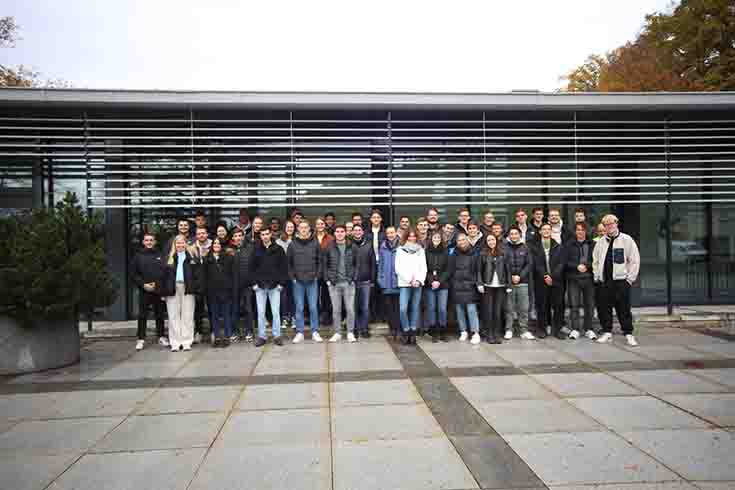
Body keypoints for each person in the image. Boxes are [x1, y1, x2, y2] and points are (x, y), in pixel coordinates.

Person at [593, 214, 640, 346]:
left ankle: (628, 333)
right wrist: (597, 277)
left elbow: (634, 260)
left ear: (616, 224)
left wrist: (629, 279)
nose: (609, 227)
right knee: (604, 308)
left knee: (623, 309)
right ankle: (607, 332)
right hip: (604, 282)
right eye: (606, 225)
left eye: (611, 224)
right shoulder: (601, 242)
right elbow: (595, 261)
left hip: (621, 282)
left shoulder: (627, 239)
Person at [160, 235, 201, 352]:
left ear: (185, 244)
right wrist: (163, 292)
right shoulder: (169, 258)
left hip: (187, 288)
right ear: (174, 245)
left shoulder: (192, 257)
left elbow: (198, 276)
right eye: (177, 243)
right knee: (173, 316)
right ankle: (175, 343)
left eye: (182, 243)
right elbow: (163, 276)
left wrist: (197, 289)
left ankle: (187, 341)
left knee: (187, 316)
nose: (180, 245)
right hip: (172, 288)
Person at [287, 220, 323, 343]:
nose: (303, 229)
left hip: (312, 280)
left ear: (309, 229)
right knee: (299, 308)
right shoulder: (292, 244)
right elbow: (289, 263)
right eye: (301, 228)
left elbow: (320, 260)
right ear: (298, 230)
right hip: (298, 281)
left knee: (313, 307)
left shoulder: (315, 243)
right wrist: (293, 278)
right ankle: (300, 332)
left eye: (305, 227)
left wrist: (317, 275)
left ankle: (314, 331)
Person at [130, 232, 166, 350]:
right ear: (143, 242)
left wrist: (156, 284)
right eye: (147, 240)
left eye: (151, 240)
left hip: (158, 289)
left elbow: (163, 272)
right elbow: (134, 274)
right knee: (142, 315)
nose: (149, 242)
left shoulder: (160, 255)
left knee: (159, 314)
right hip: (144, 290)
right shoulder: (137, 256)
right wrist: (143, 284)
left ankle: (161, 336)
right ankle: (141, 338)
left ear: (154, 242)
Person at [252, 228, 287, 347]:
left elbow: (284, 268)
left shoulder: (278, 249)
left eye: (267, 234)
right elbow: (251, 268)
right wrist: (254, 284)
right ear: (260, 236)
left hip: (274, 286)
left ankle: (277, 336)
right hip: (260, 287)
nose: (265, 236)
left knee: (275, 312)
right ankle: (262, 336)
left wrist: (281, 284)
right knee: (261, 313)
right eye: (263, 234)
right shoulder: (256, 249)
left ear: (270, 234)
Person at [563, 222, 597, 340]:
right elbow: (565, 262)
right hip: (574, 278)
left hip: (589, 278)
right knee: (574, 305)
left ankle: (589, 329)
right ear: (575, 231)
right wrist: (576, 266)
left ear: (586, 231)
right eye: (578, 230)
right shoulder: (569, 245)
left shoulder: (593, 244)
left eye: (582, 230)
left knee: (590, 305)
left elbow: (596, 260)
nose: (580, 232)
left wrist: (587, 266)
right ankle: (575, 329)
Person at [324, 225, 357, 343]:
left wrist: (353, 278)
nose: (339, 233)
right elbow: (325, 264)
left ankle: (350, 332)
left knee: (350, 309)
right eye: (337, 231)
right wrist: (327, 280)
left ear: (345, 233)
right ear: (334, 234)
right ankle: (337, 332)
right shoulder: (329, 247)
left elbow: (357, 264)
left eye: (342, 231)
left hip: (348, 283)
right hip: (334, 283)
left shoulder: (352, 246)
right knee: (336, 309)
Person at [531, 223, 564, 339]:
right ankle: (542, 329)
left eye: (548, 229)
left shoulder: (558, 246)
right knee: (542, 305)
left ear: (551, 231)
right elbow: (536, 263)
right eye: (543, 229)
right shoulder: (534, 246)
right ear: (540, 231)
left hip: (556, 281)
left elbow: (561, 263)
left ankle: (558, 329)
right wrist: (545, 276)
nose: (546, 231)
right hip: (541, 281)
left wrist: (552, 276)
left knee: (558, 306)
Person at [395, 229, 427, 344]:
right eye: (410, 236)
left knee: (415, 308)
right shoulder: (400, 250)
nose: (412, 238)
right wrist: (409, 280)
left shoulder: (421, 250)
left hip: (418, 283)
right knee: (403, 309)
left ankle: (413, 332)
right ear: (406, 237)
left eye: (414, 236)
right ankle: (406, 330)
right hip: (405, 283)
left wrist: (418, 280)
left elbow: (423, 267)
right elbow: (398, 268)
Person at [477, 234, 510, 344]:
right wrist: (480, 283)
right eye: (489, 240)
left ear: (496, 240)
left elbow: (507, 270)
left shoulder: (503, 253)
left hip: (500, 286)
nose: (491, 242)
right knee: (489, 311)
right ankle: (489, 334)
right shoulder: (482, 254)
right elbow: (479, 270)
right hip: (488, 286)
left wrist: (509, 284)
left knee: (497, 312)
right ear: (486, 242)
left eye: (493, 239)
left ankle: (497, 334)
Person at [504, 226, 536, 340]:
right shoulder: (504, 248)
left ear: (519, 235)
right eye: (511, 234)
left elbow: (529, 264)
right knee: (509, 308)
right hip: (509, 283)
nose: (513, 236)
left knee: (523, 308)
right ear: (508, 236)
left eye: (515, 233)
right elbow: (504, 265)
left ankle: (524, 330)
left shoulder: (525, 248)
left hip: (523, 282)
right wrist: (511, 277)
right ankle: (509, 329)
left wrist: (520, 276)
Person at [203, 238, 234, 348]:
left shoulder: (228, 258)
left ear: (222, 246)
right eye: (214, 243)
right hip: (212, 291)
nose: (216, 245)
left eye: (218, 243)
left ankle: (226, 336)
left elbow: (232, 275)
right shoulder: (207, 258)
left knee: (226, 314)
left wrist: (230, 288)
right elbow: (204, 276)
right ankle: (216, 337)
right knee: (214, 315)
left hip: (225, 290)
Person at [449, 233, 481, 344]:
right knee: (459, 310)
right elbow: (451, 270)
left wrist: (475, 282)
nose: (461, 242)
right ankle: (463, 331)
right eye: (459, 241)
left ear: (467, 240)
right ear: (457, 243)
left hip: (470, 286)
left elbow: (478, 270)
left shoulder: (475, 253)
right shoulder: (453, 254)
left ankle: (475, 333)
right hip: (457, 286)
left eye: (463, 240)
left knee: (471, 310)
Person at [231, 227, 256, 343]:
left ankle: (249, 332)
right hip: (234, 285)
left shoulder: (250, 248)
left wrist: (253, 282)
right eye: (235, 236)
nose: (238, 238)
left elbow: (255, 267)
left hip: (247, 284)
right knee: (234, 309)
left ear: (243, 236)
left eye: (239, 236)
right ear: (233, 238)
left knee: (248, 309)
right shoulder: (230, 250)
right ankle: (235, 332)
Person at [351, 224, 376, 338]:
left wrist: (372, 279)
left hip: (366, 280)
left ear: (362, 232)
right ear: (352, 232)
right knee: (353, 306)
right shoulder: (349, 245)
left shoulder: (368, 245)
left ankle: (365, 328)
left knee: (365, 307)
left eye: (359, 230)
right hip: (352, 281)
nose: (357, 232)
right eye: (355, 230)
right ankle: (355, 328)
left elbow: (373, 264)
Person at [425, 231, 450, 342]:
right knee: (431, 308)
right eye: (434, 237)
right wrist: (432, 281)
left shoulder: (446, 251)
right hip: (430, 284)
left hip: (443, 284)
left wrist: (439, 281)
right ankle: (434, 331)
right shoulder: (426, 252)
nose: (436, 239)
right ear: (431, 239)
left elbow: (448, 269)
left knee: (442, 309)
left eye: (438, 237)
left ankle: (443, 330)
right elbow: (424, 269)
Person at [378, 226, 401, 340]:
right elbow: (380, 264)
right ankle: (392, 328)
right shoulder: (382, 247)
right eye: (388, 233)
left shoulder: (401, 246)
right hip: (386, 282)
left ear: (396, 233)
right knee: (389, 308)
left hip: (397, 282)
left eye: (392, 232)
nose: (390, 235)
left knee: (397, 308)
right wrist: (380, 279)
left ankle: (398, 329)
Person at [192, 226, 212, 344]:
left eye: (203, 233)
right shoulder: (192, 248)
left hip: (211, 284)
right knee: (198, 310)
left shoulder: (214, 245)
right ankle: (198, 332)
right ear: (196, 235)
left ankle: (213, 332)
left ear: (207, 234)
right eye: (199, 234)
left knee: (212, 310)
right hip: (198, 284)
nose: (201, 235)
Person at [366, 210, 385, 323]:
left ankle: (382, 315)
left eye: (378, 217)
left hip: (382, 263)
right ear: (371, 219)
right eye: (374, 217)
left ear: (381, 219)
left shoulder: (384, 232)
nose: (376, 219)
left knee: (382, 289)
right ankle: (372, 315)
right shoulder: (367, 232)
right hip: (370, 264)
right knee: (371, 291)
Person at [315, 217, 334, 327]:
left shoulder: (330, 238)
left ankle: (326, 317)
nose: (320, 226)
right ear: (316, 226)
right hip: (315, 271)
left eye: (322, 224)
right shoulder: (311, 238)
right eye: (318, 224)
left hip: (327, 271)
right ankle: (316, 317)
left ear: (325, 225)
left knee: (327, 296)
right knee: (314, 296)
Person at [277, 220, 296, 328]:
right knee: (282, 297)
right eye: (288, 227)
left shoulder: (297, 240)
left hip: (294, 274)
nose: (290, 229)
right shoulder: (279, 242)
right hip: (282, 274)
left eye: (292, 227)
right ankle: (284, 318)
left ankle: (293, 318)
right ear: (284, 228)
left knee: (293, 297)